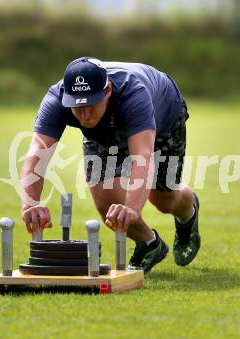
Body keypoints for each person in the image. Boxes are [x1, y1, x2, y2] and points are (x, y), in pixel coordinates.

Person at [20, 56, 200, 272]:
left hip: (163, 119)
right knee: (108, 203)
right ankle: (149, 244)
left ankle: (187, 213)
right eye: (78, 107)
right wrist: (29, 204)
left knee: (163, 201)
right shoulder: (56, 99)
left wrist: (133, 208)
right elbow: (36, 154)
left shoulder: (133, 94)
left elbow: (142, 157)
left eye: (91, 105)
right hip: (103, 132)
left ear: (107, 91)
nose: (85, 115)